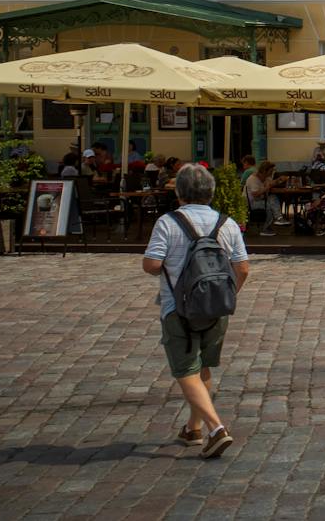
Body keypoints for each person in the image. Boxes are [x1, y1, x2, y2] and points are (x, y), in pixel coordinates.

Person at [141, 163, 250, 459]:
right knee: (201, 367)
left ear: (179, 194)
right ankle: (194, 428)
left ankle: (216, 429)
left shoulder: (168, 222)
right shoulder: (226, 222)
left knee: (185, 370)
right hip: (215, 309)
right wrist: (226, 297)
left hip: (178, 308)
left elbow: (151, 265)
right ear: (211, 192)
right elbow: (242, 268)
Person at [245, 161, 278, 236]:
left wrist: (277, 181)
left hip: (260, 200)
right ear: (264, 170)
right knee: (270, 206)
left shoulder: (266, 178)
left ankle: (277, 218)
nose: (271, 173)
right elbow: (255, 194)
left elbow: (270, 185)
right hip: (251, 203)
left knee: (273, 199)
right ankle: (265, 229)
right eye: (270, 171)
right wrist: (267, 187)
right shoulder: (253, 179)